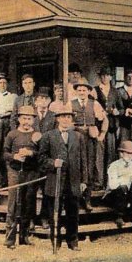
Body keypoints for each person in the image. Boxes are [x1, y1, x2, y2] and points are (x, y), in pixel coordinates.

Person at [38, 104, 88, 251]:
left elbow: (83, 160)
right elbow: (41, 159)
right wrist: (53, 163)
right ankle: (56, 241)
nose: (66, 119)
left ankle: (73, 241)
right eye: (63, 117)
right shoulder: (48, 136)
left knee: (73, 213)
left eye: (68, 117)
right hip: (55, 180)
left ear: (71, 119)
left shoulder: (78, 136)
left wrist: (84, 180)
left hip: (73, 181)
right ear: (58, 119)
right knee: (55, 212)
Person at [3, 106, 43, 248]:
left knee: (28, 205)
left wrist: (31, 153)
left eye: (29, 118)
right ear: (19, 119)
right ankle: (9, 239)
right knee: (13, 205)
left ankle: (24, 237)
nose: (26, 121)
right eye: (24, 118)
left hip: (31, 173)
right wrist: (15, 156)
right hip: (15, 173)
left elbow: (42, 154)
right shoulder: (12, 134)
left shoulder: (38, 135)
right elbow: (4, 153)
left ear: (33, 120)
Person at [71, 78, 108, 212]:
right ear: (76, 91)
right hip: (76, 138)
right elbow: (66, 121)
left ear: (88, 91)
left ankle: (87, 199)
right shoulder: (70, 104)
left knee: (90, 166)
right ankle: (76, 200)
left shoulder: (95, 104)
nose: (81, 92)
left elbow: (105, 120)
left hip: (91, 138)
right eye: (79, 90)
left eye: (84, 90)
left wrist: (101, 134)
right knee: (79, 166)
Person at [105, 140, 132, 228]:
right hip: (114, 195)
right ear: (121, 154)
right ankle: (119, 216)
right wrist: (127, 180)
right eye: (127, 153)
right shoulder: (114, 166)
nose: (130, 156)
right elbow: (112, 185)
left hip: (130, 194)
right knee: (122, 188)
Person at [95, 67, 120, 168]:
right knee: (99, 152)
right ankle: (99, 180)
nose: (105, 77)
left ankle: (109, 179)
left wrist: (117, 112)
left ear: (110, 77)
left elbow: (121, 108)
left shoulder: (115, 91)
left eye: (107, 75)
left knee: (110, 152)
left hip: (111, 126)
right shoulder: (95, 90)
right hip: (98, 125)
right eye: (103, 75)